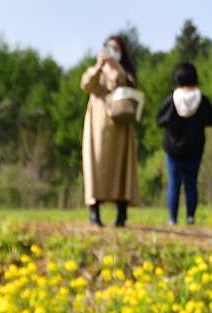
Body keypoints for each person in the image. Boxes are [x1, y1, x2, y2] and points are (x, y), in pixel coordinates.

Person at [80, 34, 141, 227]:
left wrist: (117, 68)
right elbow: (86, 85)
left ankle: (121, 215)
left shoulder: (125, 72)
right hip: (98, 125)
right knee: (96, 165)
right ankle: (94, 212)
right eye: (108, 47)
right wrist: (99, 66)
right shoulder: (95, 70)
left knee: (121, 168)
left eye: (115, 48)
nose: (111, 51)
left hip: (120, 126)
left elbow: (128, 85)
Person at [157, 62, 212, 226]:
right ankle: (190, 217)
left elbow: (160, 119)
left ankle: (172, 219)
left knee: (174, 183)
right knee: (191, 183)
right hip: (195, 148)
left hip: (172, 149)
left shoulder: (172, 99)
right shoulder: (201, 99)